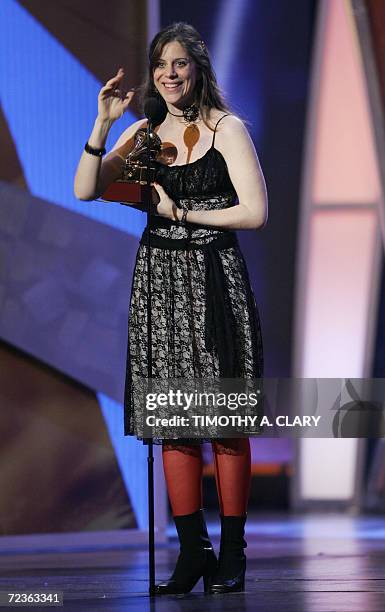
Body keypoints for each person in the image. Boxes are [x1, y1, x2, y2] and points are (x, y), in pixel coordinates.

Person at [74, 22, 268, 595]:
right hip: (159, 281)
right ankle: (193, 556)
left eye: (180, 63)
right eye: (162, 64)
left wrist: (185, 216)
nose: (169, 73)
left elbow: (255, 213)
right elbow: (85, 189)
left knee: (225, 424)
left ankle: (232, 553)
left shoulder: (226, 129)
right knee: (173, 424)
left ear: (199, 69)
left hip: (213, 275)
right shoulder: (142, 135)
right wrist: (104, 124)